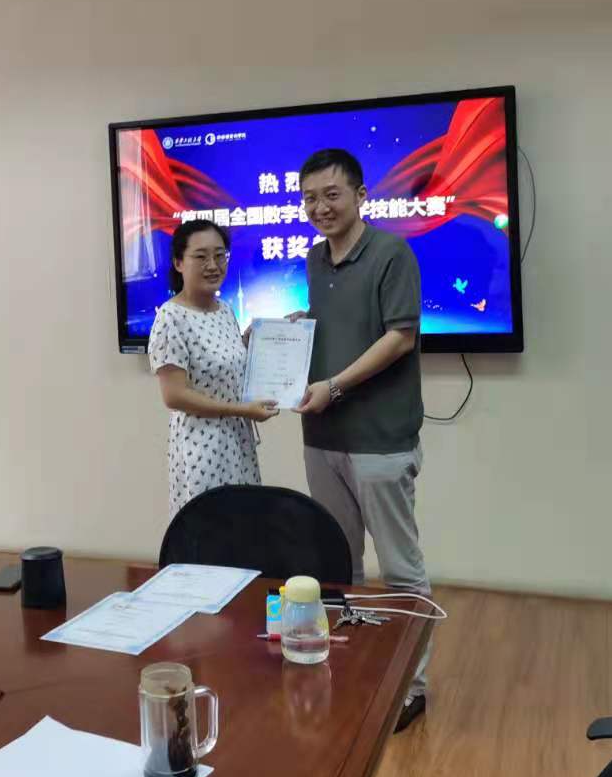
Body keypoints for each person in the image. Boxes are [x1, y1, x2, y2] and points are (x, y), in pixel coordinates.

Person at [293, 148, 433, 733]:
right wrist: (293, 330)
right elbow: (338, 323)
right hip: (323, 435)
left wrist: (334, 386)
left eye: (331, 194)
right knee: (338, 563)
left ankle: (411, 686)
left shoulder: (391, 253)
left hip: (380, 438)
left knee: (399, 569)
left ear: (360, 195)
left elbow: (399, 337)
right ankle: (353, 672)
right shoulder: (314, 259)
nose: (320, 207)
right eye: (309, 198)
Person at [149, 219, 279, 516]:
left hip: (237, 440)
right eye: (201, 256)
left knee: (243, 524)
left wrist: (272, 336)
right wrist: (242, 410)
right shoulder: (170, 318)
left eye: (220, 256)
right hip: (202, 446)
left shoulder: (224, 310)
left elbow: (225, 362)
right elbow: (174, 396)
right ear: (178, 262)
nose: (213, 265)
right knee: (211, 528)